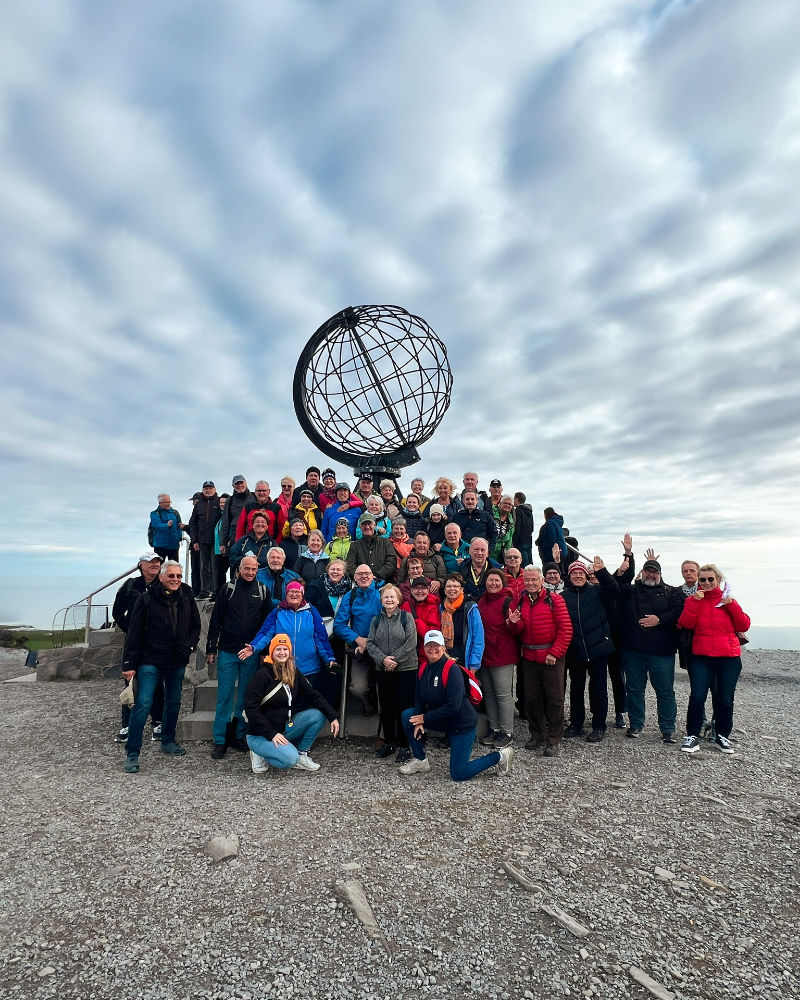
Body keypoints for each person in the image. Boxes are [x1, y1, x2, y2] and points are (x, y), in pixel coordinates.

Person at [399, 630, 513, 780]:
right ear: (423, 648)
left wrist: (424, 718)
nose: (432, 648)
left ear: (443, 648)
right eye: (429, 645)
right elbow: (418, 697)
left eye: (436, 645)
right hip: (442, 720)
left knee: (459, 774)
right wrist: (419, 720)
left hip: (461, 724)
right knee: (408, 716)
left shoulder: (452, 670)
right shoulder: (423, 669)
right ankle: (420, 760)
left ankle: (500, 756)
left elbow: (453, 706)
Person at [121, 560, 201, 773]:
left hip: (177, 660)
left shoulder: (186, 596)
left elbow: (195, 624)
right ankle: (133, 752)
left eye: (179, 576)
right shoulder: (146, 598)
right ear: (162, 577)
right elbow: (133, 632)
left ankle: (168, 740)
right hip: (150, 660)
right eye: (171, 576)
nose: (176, 580)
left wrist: (189, 645)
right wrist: (129, 664)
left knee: (174, 701)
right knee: (143, 704)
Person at [678, 565, 751, 755]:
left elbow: (744, 624)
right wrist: (694, 602)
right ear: (699, 582)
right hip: (701, 657)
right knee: (697, 697)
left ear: (718, 580)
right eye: (703, 580)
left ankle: (722, 736)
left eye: (711, 579)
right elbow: (685, 623)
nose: (707, 583)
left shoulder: (728, 600)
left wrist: (731, 605)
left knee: (725, 699)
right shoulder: (692, 600)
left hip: (728, 658)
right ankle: (693, 735)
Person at [205, 556, 273, 759]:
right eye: (247, 569)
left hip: (250, 652)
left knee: (245, 696)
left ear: (257, 569)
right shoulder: (227, 589)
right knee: (224, 695)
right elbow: (216, 620)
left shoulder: (262, 591)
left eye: (254, 569)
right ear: (239, 569)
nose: (250, 572)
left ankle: (238, 734)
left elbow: (266, 625)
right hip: (227, 650)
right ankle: (220, 739)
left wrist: (262, 652)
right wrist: (211, 648)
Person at [245, 634, 340, 774]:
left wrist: (332, 715)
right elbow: (251, 709)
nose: (282, 653)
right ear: (272, 651)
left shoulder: (292, 671)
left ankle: (302, 754)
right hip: (260, 734)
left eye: (285, 649)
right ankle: (260, 753)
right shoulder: (262, 675)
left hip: (283, 727)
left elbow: (312, 694)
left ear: (290, 651)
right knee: (289, 760)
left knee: (318, 715)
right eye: (278, 649)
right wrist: (271, 734)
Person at [507, 566, 572, 756]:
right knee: (531, 699)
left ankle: (553, 738)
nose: (530, 583)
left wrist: (555, 652)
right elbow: (518, 632)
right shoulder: (521, 602)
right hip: (529, 657)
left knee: (555, 699)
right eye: (527, 580)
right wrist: (513, 623)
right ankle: (537, 734)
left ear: (541, 580)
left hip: (551, 657)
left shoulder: (555, 600)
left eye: (534, 580)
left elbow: (565, 630)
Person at [617, 555, 683, 742]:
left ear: (660, 574)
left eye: (655, 572)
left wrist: (659, 619)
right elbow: (615, 587)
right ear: (642, 572)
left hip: (662, 652)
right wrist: (626, 561)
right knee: (635, 689)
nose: (651, 574)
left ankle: (668, 729)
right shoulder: (631, 591)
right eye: (648, 571)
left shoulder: (671, 592)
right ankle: (636, 725)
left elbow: (679, 611)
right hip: (632, 649)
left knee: (665, 691)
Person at [242, 580, 338, 699]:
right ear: (286, 594)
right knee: (285, 702)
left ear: (302, 594)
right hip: (283, 668)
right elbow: (265, 633)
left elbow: (321, 638)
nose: (294, 594)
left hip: (308, 668)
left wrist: (329, 658)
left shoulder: (312, 612)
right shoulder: (277, 612)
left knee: (305, 702)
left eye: (297, 591)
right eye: (290, 592)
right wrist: (254, 647)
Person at [561, 558, 618, 743]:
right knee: (576, 689)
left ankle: (599, 725)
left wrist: (602, 572)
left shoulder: (598, 591)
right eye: (574, 573)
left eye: (581, 573)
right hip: (575, 650)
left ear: (586, 575)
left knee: (599, 689)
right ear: (569, 577)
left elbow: (614, 590)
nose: (578, 576)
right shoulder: (563, 597)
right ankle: (576, 723)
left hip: (598, 648)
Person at [112, 552, 164, 744]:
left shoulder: (163, 584)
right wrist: (130, 629)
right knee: (131, 683)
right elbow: (117, 611)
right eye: (151, 562)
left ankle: (157, 723)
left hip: (157, 643)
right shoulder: (131, 586)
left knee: (158, 684)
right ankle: (127, 724)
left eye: (157, 562)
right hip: (135, 643)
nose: (155, 565)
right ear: (141, 565)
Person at [367, 584, 419, 763]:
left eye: (392, 597)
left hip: (405, 669)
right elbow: (371, 643)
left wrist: (394, 659)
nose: (389, 600)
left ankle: (405, 745)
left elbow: (411, 642)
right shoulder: (376, 620)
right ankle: (389, 742)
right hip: (383, 670)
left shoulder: (407, 617)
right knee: (387, 708)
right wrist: (384, 660)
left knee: (403, 709)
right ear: (381, 601)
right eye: (385, 597)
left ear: (398, 600)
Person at [477, 568, 519, 750]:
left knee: (503, 695)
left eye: (497, 580)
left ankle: (507, 732)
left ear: (503, 583)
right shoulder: (482, 601)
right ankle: (494, 728)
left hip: (503, 655)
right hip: (485, 654)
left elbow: (518, 628)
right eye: (490, 580)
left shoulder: (508, 601)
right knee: (489, 695)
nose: (493, 583)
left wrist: (513, 624)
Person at [333, 564, 383, 714]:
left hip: (382, 648)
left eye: (367, 573)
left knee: (387, 684)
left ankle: (385, 717)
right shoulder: (350, 596)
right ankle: (368, 704)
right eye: (360, 574)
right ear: (354, 577)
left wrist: (374, 642)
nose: (364, 576)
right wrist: (357, 639)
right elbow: (339, 625)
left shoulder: (383, 592)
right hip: (359, 648)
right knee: (358, 689)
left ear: (373, 576)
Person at [305, 559, 352, 668]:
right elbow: (307, 609)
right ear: (327, 570)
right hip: (320, 633)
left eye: (339, 570)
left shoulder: (349, 589)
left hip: (340, 635)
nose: (335, 572)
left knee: (337, 667)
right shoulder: (315, 587)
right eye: (333, 569)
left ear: (343, 573)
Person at [440, 573, 484, 672]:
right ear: (444, 589)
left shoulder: (470, 608)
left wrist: (474, 665)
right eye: (449, 586)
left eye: (455, 586)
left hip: (464, 658)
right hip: (445, 657)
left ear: (462, 589)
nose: (452, 589)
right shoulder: (442, 607)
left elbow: (478, 638)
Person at [188, 481, 222, 598]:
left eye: (210, 488)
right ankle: (204, 591)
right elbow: (193, 524)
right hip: (202, 541)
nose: (208, 490)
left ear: (214, 489)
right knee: (204, 568)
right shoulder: (199, 504)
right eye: (206, 488)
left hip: (215, 541)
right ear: (203, 490)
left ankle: (215, 591)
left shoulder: (218, 502)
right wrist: (194, 541)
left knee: (215, 567)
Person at [400, 574, 442, 666]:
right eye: (416, 588)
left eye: (423, 588)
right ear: (411, 590)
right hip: (407, 656)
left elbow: (430, 634)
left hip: (425, 656)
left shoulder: (433, 607)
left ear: (428, 590)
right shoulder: (405, 606)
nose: (420, 591)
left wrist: (415, 622)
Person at [346, 514, 396, 582]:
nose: (367, 527)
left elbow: (391, 562)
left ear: (374, 525)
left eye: (369, 524)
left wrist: (378, 575)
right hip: (362, 584)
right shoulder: (355, 545)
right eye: (364, 524)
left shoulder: (385, 542)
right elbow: (350, 565)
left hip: (384, 583)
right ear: (360, 527)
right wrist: (363, 576)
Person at [219, 476, 253, 554]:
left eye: (241, 483)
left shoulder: (254, 497)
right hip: (236, 537)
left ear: (246, 483)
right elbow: (225, 522)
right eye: (237, 484)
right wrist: (223, 543)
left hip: (252, 537)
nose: (240, 485)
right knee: (236, 563)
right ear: (233, 486)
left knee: (251, 563)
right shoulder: (230, 501)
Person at [149, 494, 183, 561]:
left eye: (169, 502)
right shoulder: (154, 513)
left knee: (174, 568)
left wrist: (178, 538)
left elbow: (179, 526)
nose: (168, 504)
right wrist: (166, 525)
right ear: (160, 503)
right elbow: (157, 525)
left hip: (174, 545)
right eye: (166, 502)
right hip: (160, 545)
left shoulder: (175, 513)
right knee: (159, 568)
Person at [491, 495, 515, 562]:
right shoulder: (491, 513)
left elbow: (509, 540)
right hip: (489, 549)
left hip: (501, 554)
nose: (507, 505)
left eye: (510, 504)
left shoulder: (511, 521)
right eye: (505, 503)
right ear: (500, 503)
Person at [512, 493, 534, 566]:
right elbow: (532, 528)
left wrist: (514, 542)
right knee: (529, 563)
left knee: (522, 565)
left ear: (517, 499)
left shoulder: (518, 511)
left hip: (520, 541)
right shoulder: (529, 512)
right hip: (528, 540)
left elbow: (517, 527)